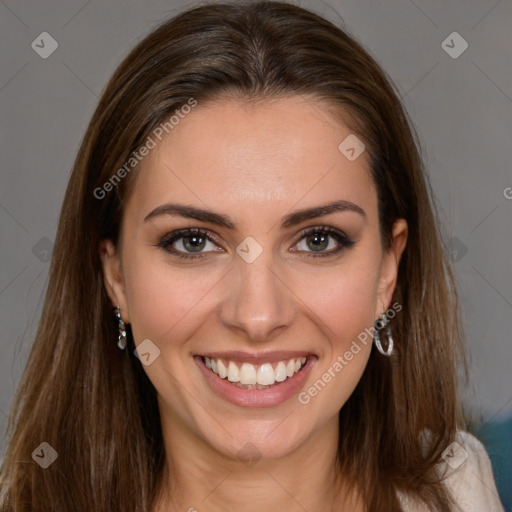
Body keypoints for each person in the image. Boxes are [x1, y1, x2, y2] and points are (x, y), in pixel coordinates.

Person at [0, 1, 505, 511]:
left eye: (318, 240)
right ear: (116, 276)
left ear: (387, 270)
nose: (258, 316)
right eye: (193, 241)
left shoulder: (456, 490)